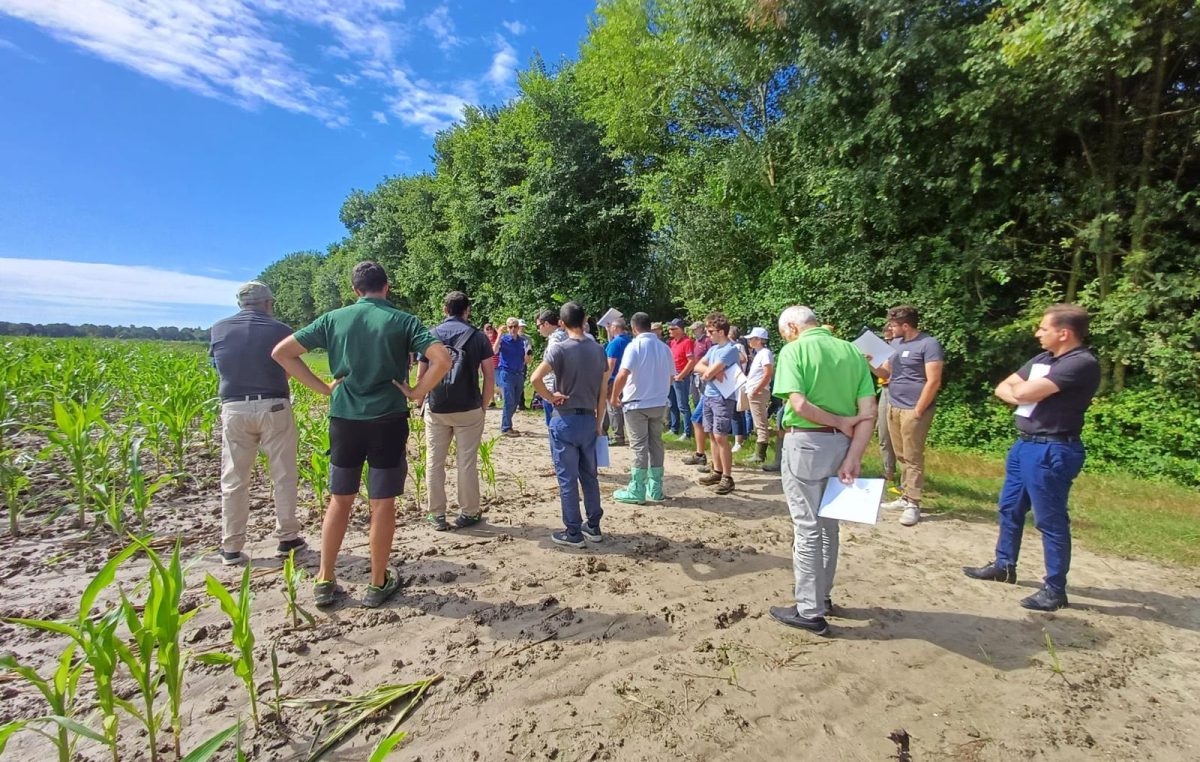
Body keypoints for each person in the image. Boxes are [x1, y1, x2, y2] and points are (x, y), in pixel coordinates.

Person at [272, 261, 451, 608]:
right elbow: (442, 358)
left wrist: (323, 388)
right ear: (386, 286)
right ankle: (377, 582)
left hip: (344, 419)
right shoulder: (404, 320)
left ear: (355, 290)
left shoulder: (333, 319)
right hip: (387, 418)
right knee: (381, 503)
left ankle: (325, 578)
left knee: (340, 499)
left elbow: (282, 353)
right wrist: (417, 392)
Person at [963, 304, 1100, 611]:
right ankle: (1004, 565)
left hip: (1053, 448)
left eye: (1043, 328)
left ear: (1063, 333)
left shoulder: (1081, 363)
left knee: (1050, 519)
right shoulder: (1044, 359)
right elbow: (1004, 387)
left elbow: (1021, 393)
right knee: (1009, 506)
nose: (1037, 333)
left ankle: (1054, 589)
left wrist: (1022, 391)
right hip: (1025, 444)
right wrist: (1022, 391)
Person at [767, 306, 875, 635]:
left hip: (806, 444)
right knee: (829, 525)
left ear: (790, 328)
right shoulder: (852, 352)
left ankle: (809, 610)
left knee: (807, 526)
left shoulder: (793, 350)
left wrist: (838, 421)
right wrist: (854, 454)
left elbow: (798, 405)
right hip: (843, 446)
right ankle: (823, 596)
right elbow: (869, 411)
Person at [209, 281, 305, 566]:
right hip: (274, 403)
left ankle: (231, 545)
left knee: (234, 478)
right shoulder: (281, 330)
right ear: (267, 303)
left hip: (234, 406)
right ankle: (287, 536)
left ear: (241, 304)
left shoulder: (218, 329)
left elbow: (219, 367)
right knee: (283, 473)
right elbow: (291, 367)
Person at [530, 302, 609, 549]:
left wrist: (551, 396)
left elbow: (535, 378)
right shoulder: (598, 350)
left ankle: (573, 531)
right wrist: (599, 422)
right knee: (590, 475)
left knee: (567, 478)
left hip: (564, 418)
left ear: (561, 324)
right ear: (585, 319)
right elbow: (603, 390)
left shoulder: (559, 349)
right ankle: (594, 525)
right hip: (589, 418)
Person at [415, 291, 494, 532]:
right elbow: (489, 376)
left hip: (438, 407)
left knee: (434, 461)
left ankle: (436, 514)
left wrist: (420, 402)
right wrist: (483, 405)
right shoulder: (479, 337)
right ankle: (468, 512)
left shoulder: (430, 335)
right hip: (468, 407)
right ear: (467, 310)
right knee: (466, 461)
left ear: (444, 309)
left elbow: (421, 375)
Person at [874, 305, 944, 527]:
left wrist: (919, 410)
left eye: (893, 325)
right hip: (893, 405)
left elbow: (933, 381)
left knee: (913, 455)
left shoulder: (929, 344)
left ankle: (913, 502)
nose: (890, 328)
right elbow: (885, 372)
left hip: (914, 408)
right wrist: (869, 362)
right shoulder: (894, 344)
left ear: (906, 325)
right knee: (901, 453)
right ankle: (905, 496)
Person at [610, 312, 673, 505]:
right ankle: (655, 488)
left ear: (634, 328)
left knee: (638, 446)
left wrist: (614, 396)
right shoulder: (664, 348)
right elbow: (671, 376)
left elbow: (623, 374)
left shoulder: (634, 346)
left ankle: (637, 488)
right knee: (656, 443)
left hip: (637, 402)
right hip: (658, 402)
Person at [693, 312, 742, 494]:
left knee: (720, 436)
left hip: (723, 398)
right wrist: (713, 372)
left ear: (721, 332)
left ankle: (727, 477)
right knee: (712, 435)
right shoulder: (713, 349)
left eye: (711, 330)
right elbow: (698, 367)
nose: (708, 333)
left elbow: (705, 374)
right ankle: (717, 470)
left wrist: (710, 372)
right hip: (709, 395)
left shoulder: (731, 349)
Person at [681, 321, 711, 468]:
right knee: (697, 418)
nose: (693, 332)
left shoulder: (708, 342)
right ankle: (700, 454)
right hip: (699, 378)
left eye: (695, 329)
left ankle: (710, 461)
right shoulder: (697, 342)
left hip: (709, 382)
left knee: (704, 420)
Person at [874, 323, 899, 492]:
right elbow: (883, 373)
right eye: (885, 337)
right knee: (883, 434)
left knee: (899, 437)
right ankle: (888, 473)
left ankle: (906, 482)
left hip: (899, 393)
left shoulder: (903, 349)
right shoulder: (884, 350)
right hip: (885, 390)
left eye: (889, 336)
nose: (887, 339)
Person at [745, 327, 775, 464]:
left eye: (752, 339)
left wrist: (757, 389)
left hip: (759, 392)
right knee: (759, 422)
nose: (749, 341)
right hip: (756, 391)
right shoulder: (760, 354)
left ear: (759, 340)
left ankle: (760, 454)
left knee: (760, 422)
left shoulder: (765, 353)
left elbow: (768, 373)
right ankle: (759, 452)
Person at [535, 309, 568, 429]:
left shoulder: (555, 340)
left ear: (547, 324)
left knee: (554, 427)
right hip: (563, 386)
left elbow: (554, 363)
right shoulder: (566, 335)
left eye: (539, 326)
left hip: (552, 388)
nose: (538, 330)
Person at [493, 317, 527, 436]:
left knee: (516, 401)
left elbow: (526, 358)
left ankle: (508, 424)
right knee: (509, 400)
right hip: (507, 373)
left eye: (515, 326)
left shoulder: (522, 341)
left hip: (519, 373)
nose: (513, 329)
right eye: (510, 327)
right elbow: (494, 351)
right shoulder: (503, 340)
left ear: (518, 327)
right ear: (507, 328)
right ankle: (506, 427)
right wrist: (499, 335)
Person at [603, 318, 631, 446]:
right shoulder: (629, 340)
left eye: (611, 327)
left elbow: (611, 363)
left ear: (615, 328)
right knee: (619, 407)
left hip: (614, 378)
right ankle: (604, 431)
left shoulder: (615, 343)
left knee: (613, 407)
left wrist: (605, 379)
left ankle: (618, 436)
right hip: (628, 378)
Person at [667, 318, 694, 440]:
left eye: (673, 328)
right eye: (670, 328)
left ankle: (687, 432)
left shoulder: (687, 342)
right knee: (672, 403)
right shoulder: (672, 342)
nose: (670, 330)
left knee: (683, 405)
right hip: (672, 375)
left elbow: (691, 361)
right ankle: (674, 428)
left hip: (681, 376)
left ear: (681, 330)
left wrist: (681, 375)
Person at [482, 322, 500, 408]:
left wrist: (498, 331)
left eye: (490, 328)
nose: (489, 330)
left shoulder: (496, 338)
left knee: (499, 383)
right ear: (484, 330)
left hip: (498, 364)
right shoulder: (483, 340)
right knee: (489, 382)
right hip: (488, 364)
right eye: (487, 329)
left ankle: (497, 395)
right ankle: (492, 400)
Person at [517, 319, 533, 411]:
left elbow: (529, 350)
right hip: (514, 363)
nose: (522, 328)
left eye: (523, 327)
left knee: (521, 383)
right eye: (520, 326)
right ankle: (517, 403)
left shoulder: (528, 338)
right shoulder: (513, 337)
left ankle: (521, 403)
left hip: (523, 363)